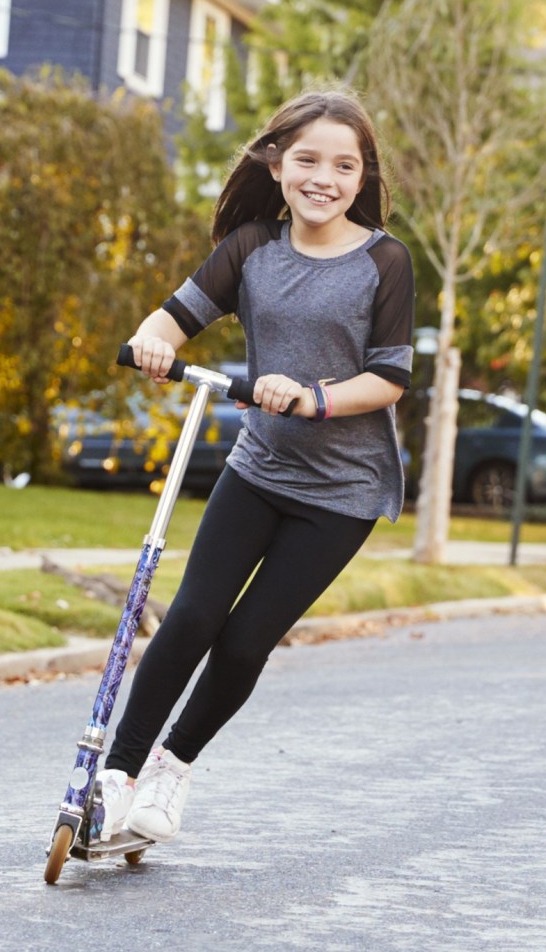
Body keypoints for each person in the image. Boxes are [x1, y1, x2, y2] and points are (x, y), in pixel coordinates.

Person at [94, 89, 414, 844]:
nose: (323, 179)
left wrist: (312, 397)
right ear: (276, 164)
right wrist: (153, 342)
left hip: (343, 492)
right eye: (307, 160)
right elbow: (173, 315)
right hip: (260, 467)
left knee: (243, 641)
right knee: (195, 616)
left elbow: (390, 378)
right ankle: (116, 776)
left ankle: (170, 773)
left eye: (344, 165)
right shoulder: (250, 248)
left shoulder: (384, 262)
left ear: (362, 177)